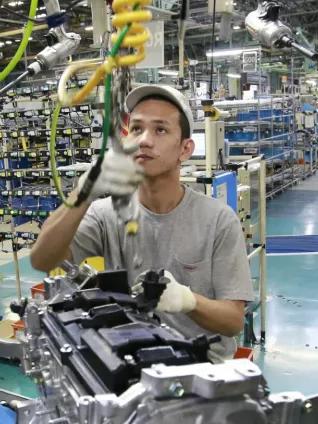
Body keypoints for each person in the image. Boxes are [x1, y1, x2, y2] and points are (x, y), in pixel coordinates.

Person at [29, 84, 253, 361]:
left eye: (160, 130)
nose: (144, 140)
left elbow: (233, 321)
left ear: (185, 149)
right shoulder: (107, 213)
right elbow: (42, 259)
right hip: (130, 357)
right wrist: (82, 193)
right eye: (136, 129)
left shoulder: (218, 220)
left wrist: (188, 301)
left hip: (201, 369)